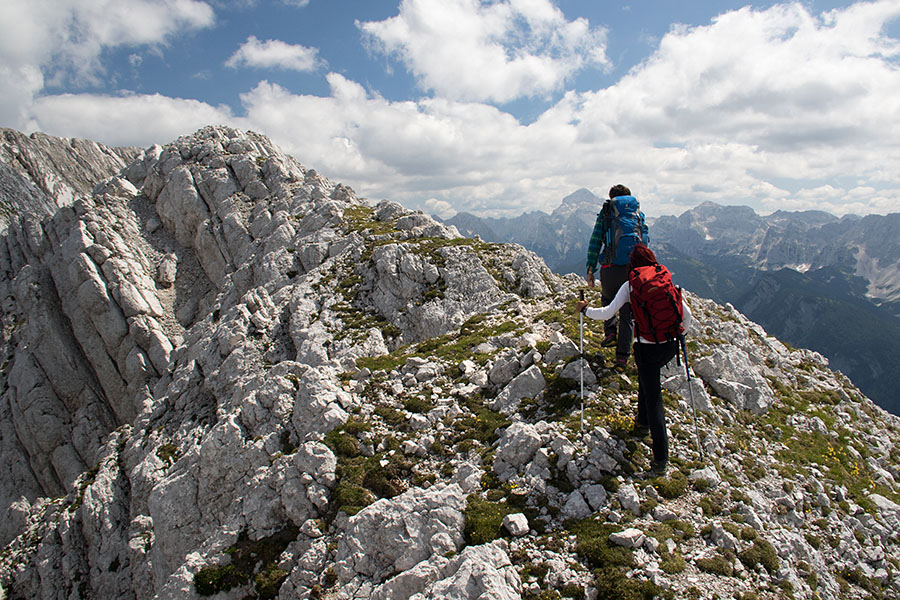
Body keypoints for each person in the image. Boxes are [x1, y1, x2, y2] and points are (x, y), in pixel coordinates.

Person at [576, 244, 692, 477]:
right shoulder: (665, 280)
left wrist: (585, 310)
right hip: (670, 345)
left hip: (646, 348)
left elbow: (607, 313)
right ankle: (642, 421)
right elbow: (686, 316)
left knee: (655, 398)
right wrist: (679, 336)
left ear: (632, 264)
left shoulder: (630, 285)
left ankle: (660, 459)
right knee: (648, 380)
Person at [585, 184, 649, 371]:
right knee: (628, 314)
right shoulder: (637, 214)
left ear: (612, 198)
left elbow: (596, 240)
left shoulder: (607, 212)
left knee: (608, 299)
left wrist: (590, 268)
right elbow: (645, 241)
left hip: (611, 267)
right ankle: (622, 359)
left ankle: (610, 332)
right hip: (633, 270)